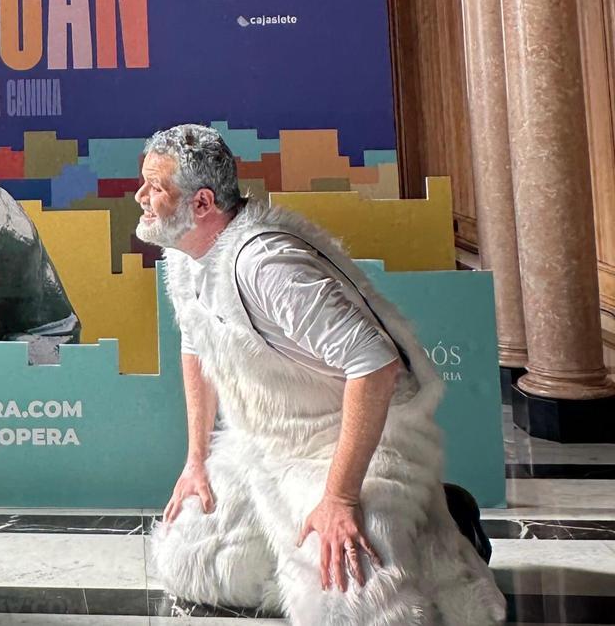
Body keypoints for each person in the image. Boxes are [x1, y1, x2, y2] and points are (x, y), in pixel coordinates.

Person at [139, 124, 505, 625]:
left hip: (357, 440)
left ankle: (436, 524)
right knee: (192, 559)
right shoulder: (186, 258)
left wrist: (339, 498)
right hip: (264, 443)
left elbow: (375, 366)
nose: (140, 196)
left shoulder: (267, 266)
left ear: (201, 204)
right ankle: (306, 549)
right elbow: (196, 346)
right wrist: (196, 461)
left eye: (155, 188)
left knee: (352, 604)